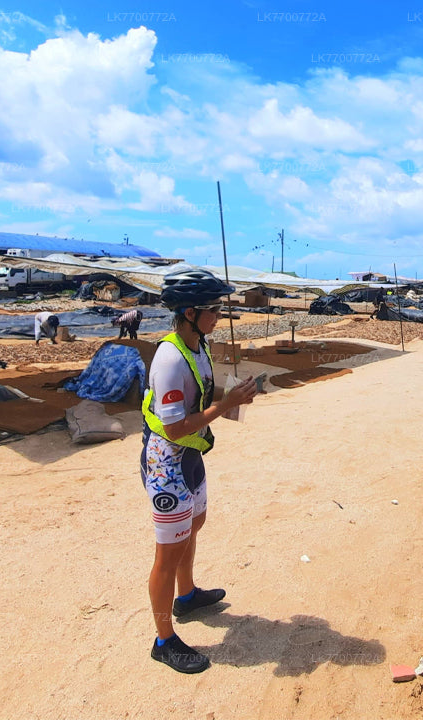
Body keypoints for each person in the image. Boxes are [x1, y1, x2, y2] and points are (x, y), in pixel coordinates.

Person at [140, 268, 259, 674]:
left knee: (195, 524)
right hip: (166, 464)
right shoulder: (171, 358)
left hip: (189, 457)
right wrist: (224, 407)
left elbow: (202, 402)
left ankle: (186, 596)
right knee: (167, 554)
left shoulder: (199, 345)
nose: (219, 314)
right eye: (213, 308)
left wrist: (234, 397)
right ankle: (163, 639)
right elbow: (173, 426)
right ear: (189, 312)